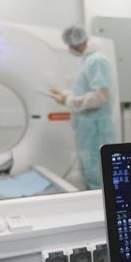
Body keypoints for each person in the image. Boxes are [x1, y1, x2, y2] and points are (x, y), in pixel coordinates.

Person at [51, 25, 114, 189]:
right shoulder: (88, 61)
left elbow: (101, 96)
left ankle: (99, 205)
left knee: (96, 174)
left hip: (96, 127)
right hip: (88, 127)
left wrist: (69, 101)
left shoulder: (97, 61)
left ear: (73, 44)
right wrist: (65, 95)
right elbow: (86, 91)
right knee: (89, 172)